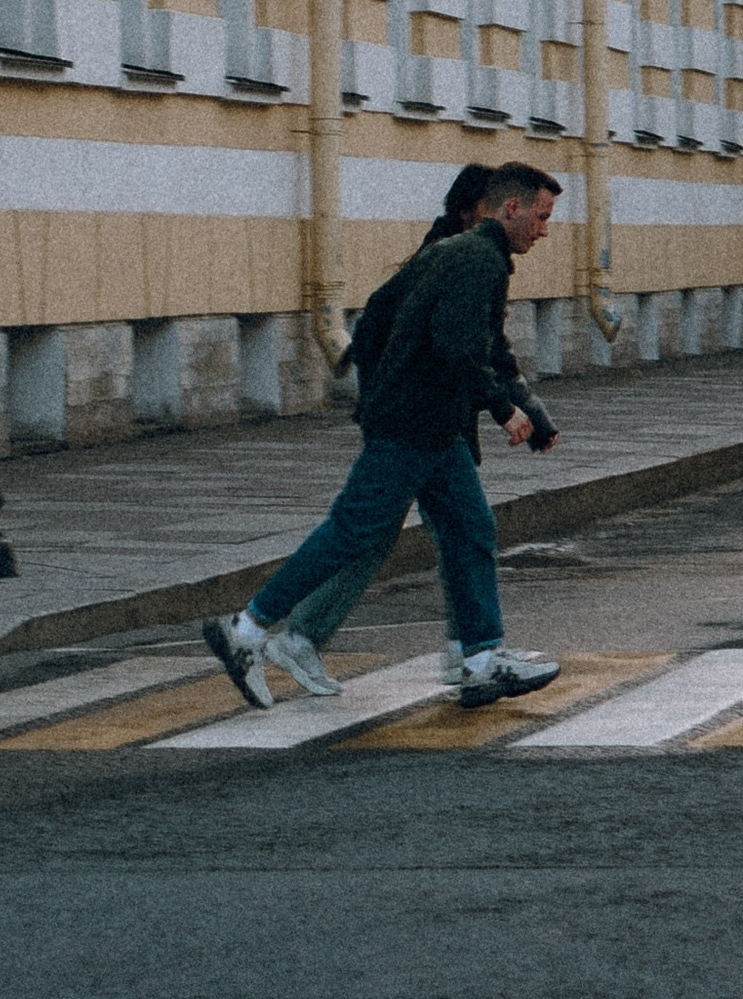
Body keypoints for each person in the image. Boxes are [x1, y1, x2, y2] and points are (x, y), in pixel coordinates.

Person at [205, 163, 565, 713]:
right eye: (541, 217)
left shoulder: (467, 253)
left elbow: (425, 329)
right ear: (510, 208)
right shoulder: (478, 259)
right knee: (356, 529)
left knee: (470, 530)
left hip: (434, 424)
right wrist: (503, 408)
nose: (544, 230)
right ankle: (248, 629)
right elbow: (456, 346)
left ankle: (480, 660)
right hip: (412, 422)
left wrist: (512, 404)